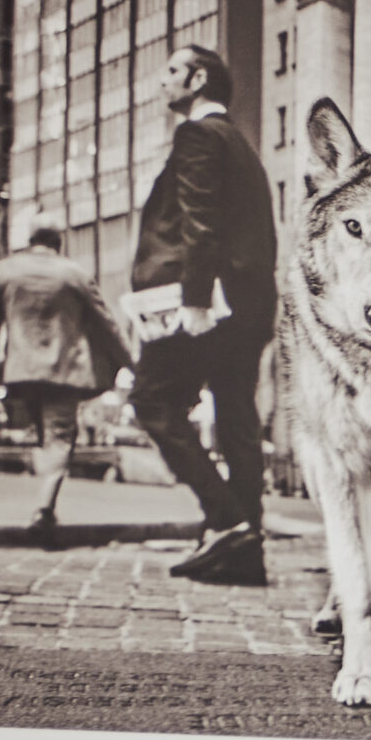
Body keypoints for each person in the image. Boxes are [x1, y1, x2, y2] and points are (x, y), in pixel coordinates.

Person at [126, 46, 277, 585]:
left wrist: (192, 299)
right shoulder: (237, 143)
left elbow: (199, 222)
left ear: (198, 77)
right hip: (250, 304)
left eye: (172, 71)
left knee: (152, 399)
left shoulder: (198, 136)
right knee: (237, 418)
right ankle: (245, 552)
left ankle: (227, 520)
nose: (162, 81)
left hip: (205, 303)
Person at [0, 221, 133, 544]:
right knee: (59, 438)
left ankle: (43, 502)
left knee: (41, 435)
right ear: (58, 242)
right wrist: (129, 362)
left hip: (21, 372)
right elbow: (106, 322)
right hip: (65, 371)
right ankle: (43, 508)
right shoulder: (74, 274)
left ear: (30, 241)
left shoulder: (5, 272)